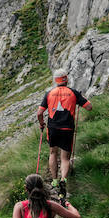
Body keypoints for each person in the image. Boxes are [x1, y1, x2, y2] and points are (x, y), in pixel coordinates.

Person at [38, 68, 90, 199]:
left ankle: (55, 180)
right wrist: (80, 99)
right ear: (66, 79)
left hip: (53, 127)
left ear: (56, 80)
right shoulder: (73, 93)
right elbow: (89, 107)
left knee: (52, 153)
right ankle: (63, 180)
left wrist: (41, 123)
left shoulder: (49, 93)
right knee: (65, 157)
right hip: (67, 128)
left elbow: (39, 113)